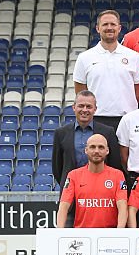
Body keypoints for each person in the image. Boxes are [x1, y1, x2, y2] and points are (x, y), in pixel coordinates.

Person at [52, 90, 124, 227]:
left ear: (95, 109)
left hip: (102, 201)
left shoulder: (107, 132)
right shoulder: (61, 133)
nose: (84, 110)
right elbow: (57, 167)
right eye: (81, 106)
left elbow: (115, 163)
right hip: (72, 200)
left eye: (89, 107)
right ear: (74, 107)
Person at [72, 10, 139, 130]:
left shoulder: (133, 57)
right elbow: (80, 91)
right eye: (105, 24)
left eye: (113, 24)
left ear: (119, 28)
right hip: (96, 118)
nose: (109, 28)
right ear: (97, 28)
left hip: (127, 119)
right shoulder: (84, 57)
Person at [56, 133, 128, 229]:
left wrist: (119, 232)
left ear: (107, 151)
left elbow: (122, 206)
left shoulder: (117, 175)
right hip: (82, 235)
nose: (96, 151)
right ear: (86, 150)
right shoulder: (74, 175)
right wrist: (59, 232)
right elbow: (64, 206)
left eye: (101, 147)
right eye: (92, 147)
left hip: (109, 235)